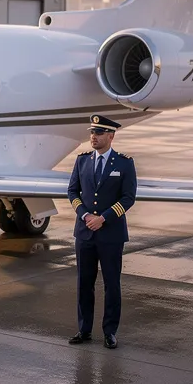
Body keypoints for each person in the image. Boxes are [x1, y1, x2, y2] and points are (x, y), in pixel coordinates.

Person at [66, 114, 137, 349]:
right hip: (85, 232)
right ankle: (84, 329)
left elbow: (128, 198)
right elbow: (73, 192)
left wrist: (103, 218)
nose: (93, 137)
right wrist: (86, 216)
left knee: (111, 284)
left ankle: (110, 332)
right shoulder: (82, 161)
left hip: (110, 235)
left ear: (110, 135)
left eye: (98, 133)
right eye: (91, 133)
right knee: (84, 283)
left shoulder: (124, 163)